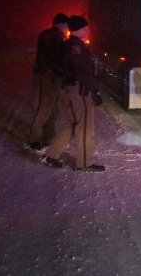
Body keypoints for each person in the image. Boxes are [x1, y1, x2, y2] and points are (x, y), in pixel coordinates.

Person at [41, 15, 105, 172]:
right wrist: (94, 89)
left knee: (71, 124)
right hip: (80, 90)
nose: (88, 30)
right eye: (86, 27)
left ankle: (51, 155)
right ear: (78, 29)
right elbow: (81, 71)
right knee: (85, 126)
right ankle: (84, 163)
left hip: (71, 89)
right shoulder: (75, 47)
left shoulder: (69, 45)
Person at [26, 13, 68, 152]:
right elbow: (55, 58)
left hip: (46, 74)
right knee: (46, 108)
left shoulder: (47, 35)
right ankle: (34, 140)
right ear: (62, 25)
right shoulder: (56, 37)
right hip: (49, 76)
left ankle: (48, 137)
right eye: (66, 25)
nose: (68, 28)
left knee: (52, 108)